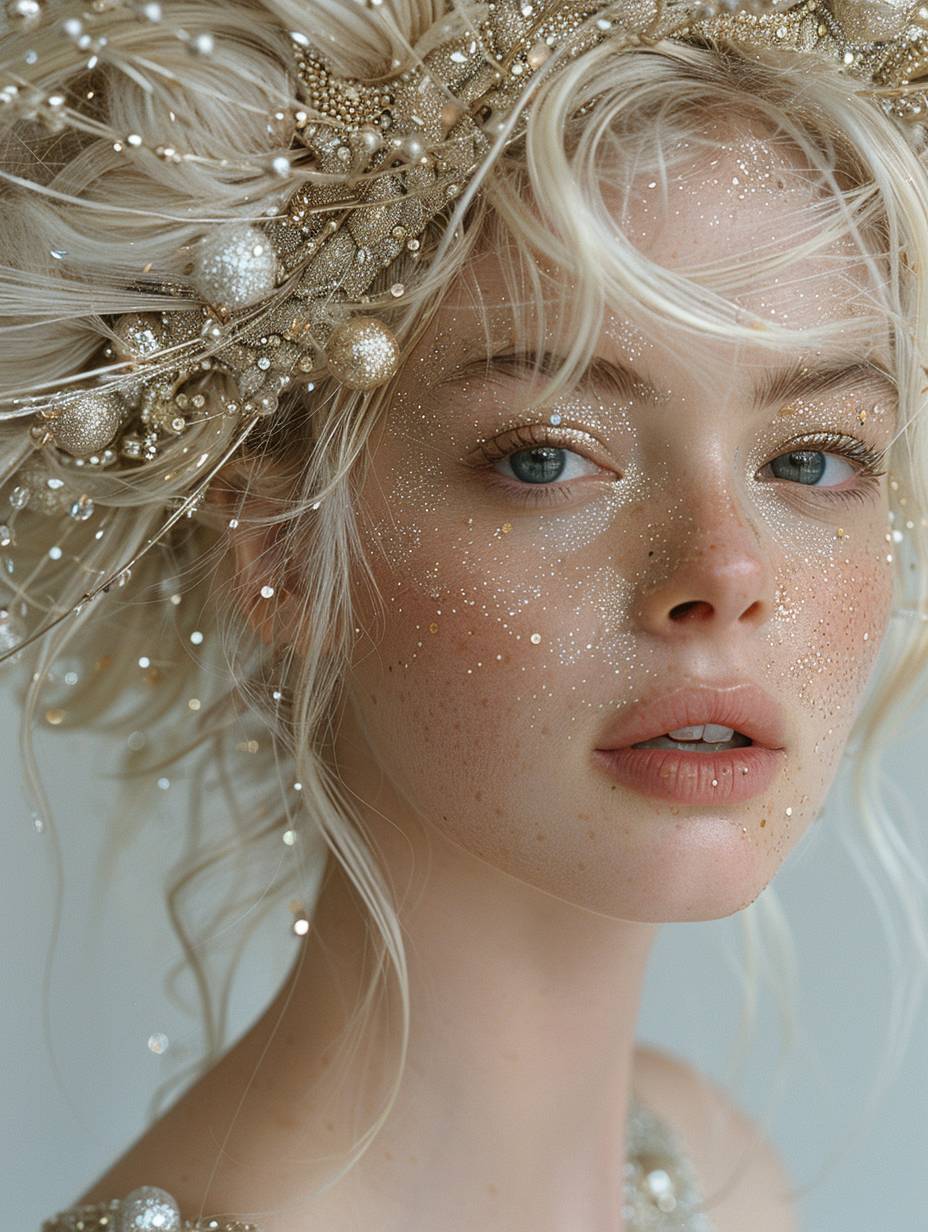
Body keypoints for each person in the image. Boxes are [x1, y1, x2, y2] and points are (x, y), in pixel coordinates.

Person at [4, 0, 926, 1228]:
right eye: (548, 457)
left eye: (810, 460)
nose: (725, 568)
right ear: (279, 545)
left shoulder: (708, 1174)